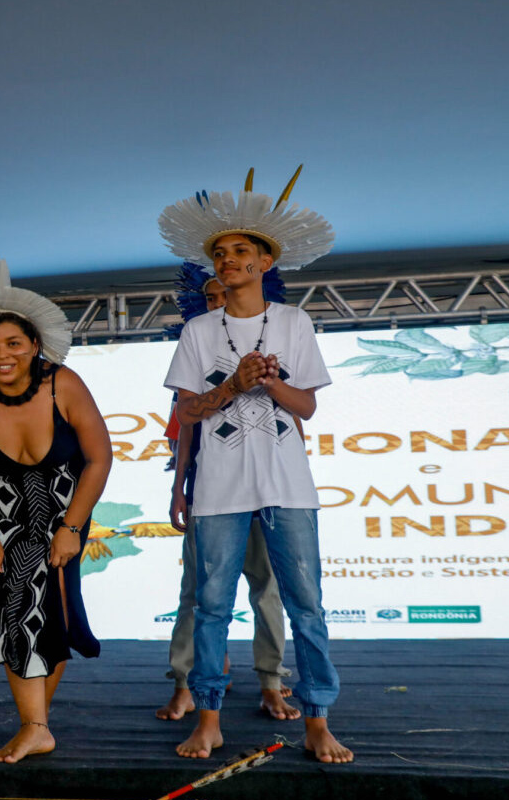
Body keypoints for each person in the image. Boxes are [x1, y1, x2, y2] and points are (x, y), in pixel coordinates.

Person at [160, 167, 352, 763]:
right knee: (211, 605)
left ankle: (317, 718)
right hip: (219, 489)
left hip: (288, 486)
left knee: (306, 606)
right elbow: (187, 408)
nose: (227, 259)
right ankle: (209, 717)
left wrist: (268, 385)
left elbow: (309, 407)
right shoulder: (197, 330)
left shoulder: (294, 323)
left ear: (265, 262)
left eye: (240, 250)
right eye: (219, 252)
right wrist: (231, 387)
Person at [0, 254, 111, 763]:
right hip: (6, 532)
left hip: (63, 527)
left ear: (35, 344)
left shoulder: (65, 384)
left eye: (13, 343)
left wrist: (73, 527)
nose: (1, 354)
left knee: (55, 624)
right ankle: (35, 724)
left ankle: (36, 723)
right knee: (21, 617)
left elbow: (99, 458)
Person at [159, 272, 298, 723]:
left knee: (268, 590)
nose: (216, 302)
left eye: (222, 294)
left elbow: (295, 425)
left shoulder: (274, 351)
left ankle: (271, 683)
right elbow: (185, 431)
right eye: (208, 297)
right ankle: (186, 683)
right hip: (211, 492)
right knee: (198, 594)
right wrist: (180, 487)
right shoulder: (195, 357)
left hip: (271, 492)